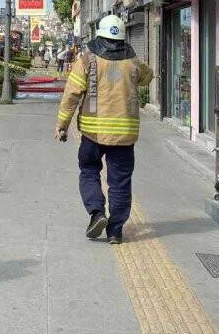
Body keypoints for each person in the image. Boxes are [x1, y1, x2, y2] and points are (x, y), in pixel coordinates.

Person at [55, 14, 153, 244]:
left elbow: (71, 95)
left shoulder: (87, 61)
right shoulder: (133, 64)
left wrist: (62, 126)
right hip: (124, 137)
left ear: (99, 35)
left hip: (92, 134)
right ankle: (115, 231)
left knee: (89, 171)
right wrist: (132, 58)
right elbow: (148, 76)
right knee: (120, 182)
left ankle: (97, 213)